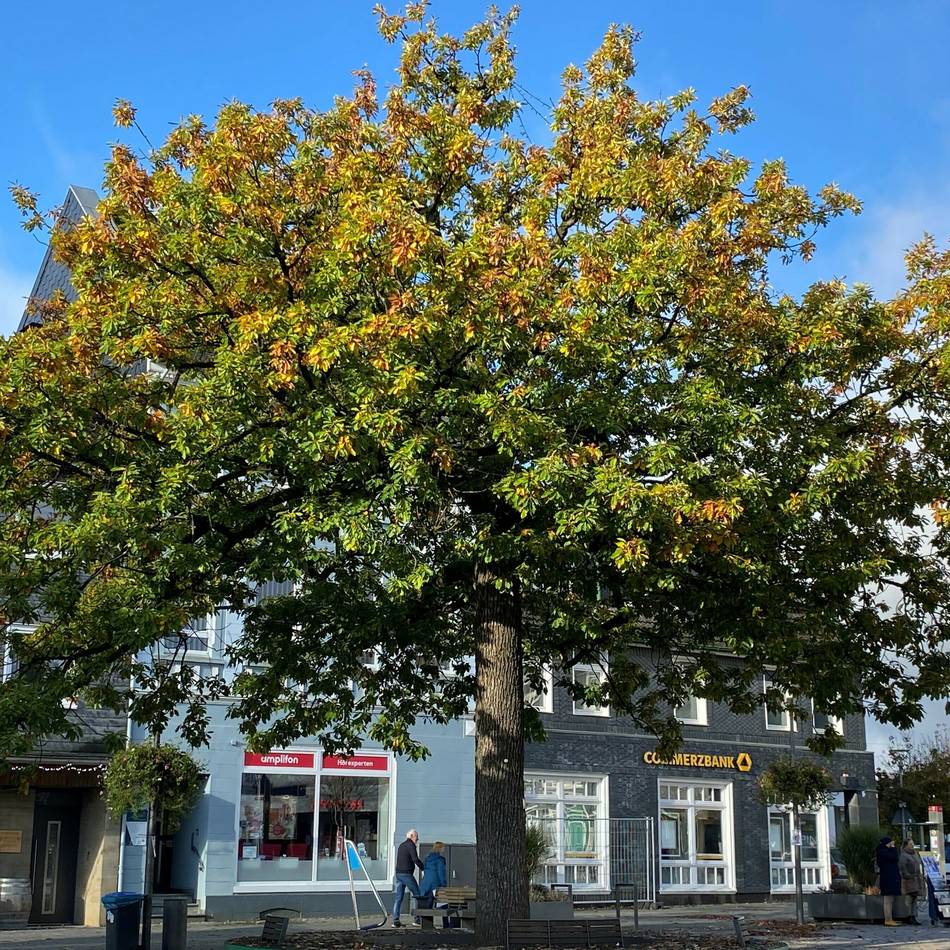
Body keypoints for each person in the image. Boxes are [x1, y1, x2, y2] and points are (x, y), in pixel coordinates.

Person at [392, 829, 424, 928]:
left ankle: (395, 920)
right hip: (407, 874)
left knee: (398, 898)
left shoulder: (401, 845)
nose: (417, 840)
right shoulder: (411, 845)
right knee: (417, 895)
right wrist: (423, 868)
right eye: (416, 837)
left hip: (398, 874)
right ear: (411, 836)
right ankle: (417, 919)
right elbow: (415, 859)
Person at [416, 841, 450, 927]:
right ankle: (446, 925)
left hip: (425, 884)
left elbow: (425, 871)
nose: (444, 849)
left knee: (428, 905)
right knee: (443, 904)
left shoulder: (427, 858)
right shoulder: (440, 860)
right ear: (440, 848)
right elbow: (441, 873)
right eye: (443, 847)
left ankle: (427, 925)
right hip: (435, 884)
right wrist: (443, 884)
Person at [876, 836, 902, 927]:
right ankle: (888, 919)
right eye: (890, 843)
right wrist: (893, 848)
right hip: (887, 878)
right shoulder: (883, 852)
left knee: (890, 900)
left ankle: (890, 918)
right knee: (887, 900)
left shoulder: (884, 851)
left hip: (890, 877)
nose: (892, 845)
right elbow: (894, 857)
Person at [898, 838, 925, 925]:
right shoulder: (903, 855)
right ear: (906, 845)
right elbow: (902, 868)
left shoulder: (915, 853)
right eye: (910, 844)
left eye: (913, 844)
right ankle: (908, 916)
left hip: (916, 879)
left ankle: (913, 916)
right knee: (908, 899)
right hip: (908, 880)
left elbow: (919, 864)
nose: (912, 846)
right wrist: (908, 876)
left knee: (915, 898)